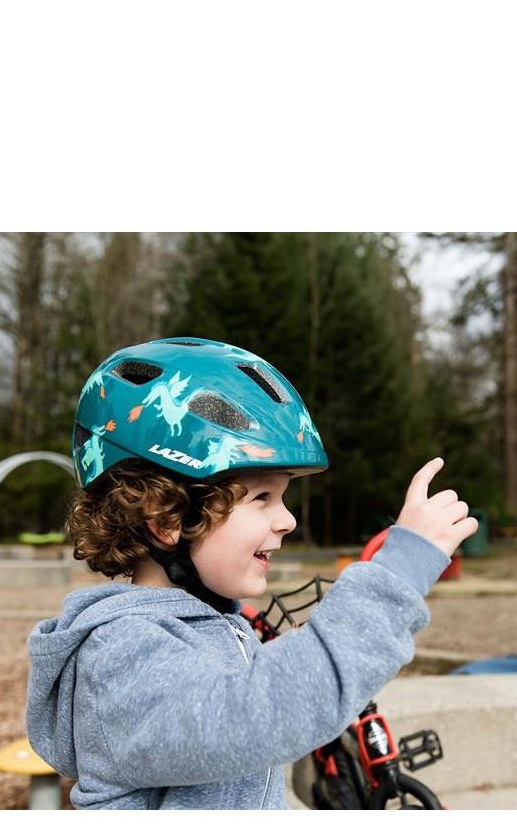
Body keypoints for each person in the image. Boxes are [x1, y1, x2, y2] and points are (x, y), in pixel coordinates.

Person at [26, 336, 479, 810]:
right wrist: (401, 571)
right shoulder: (123, 653)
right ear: (165, 518)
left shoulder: (207, 625)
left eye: (282, 498)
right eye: (262, 497)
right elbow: (263, 715)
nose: (288, 520)